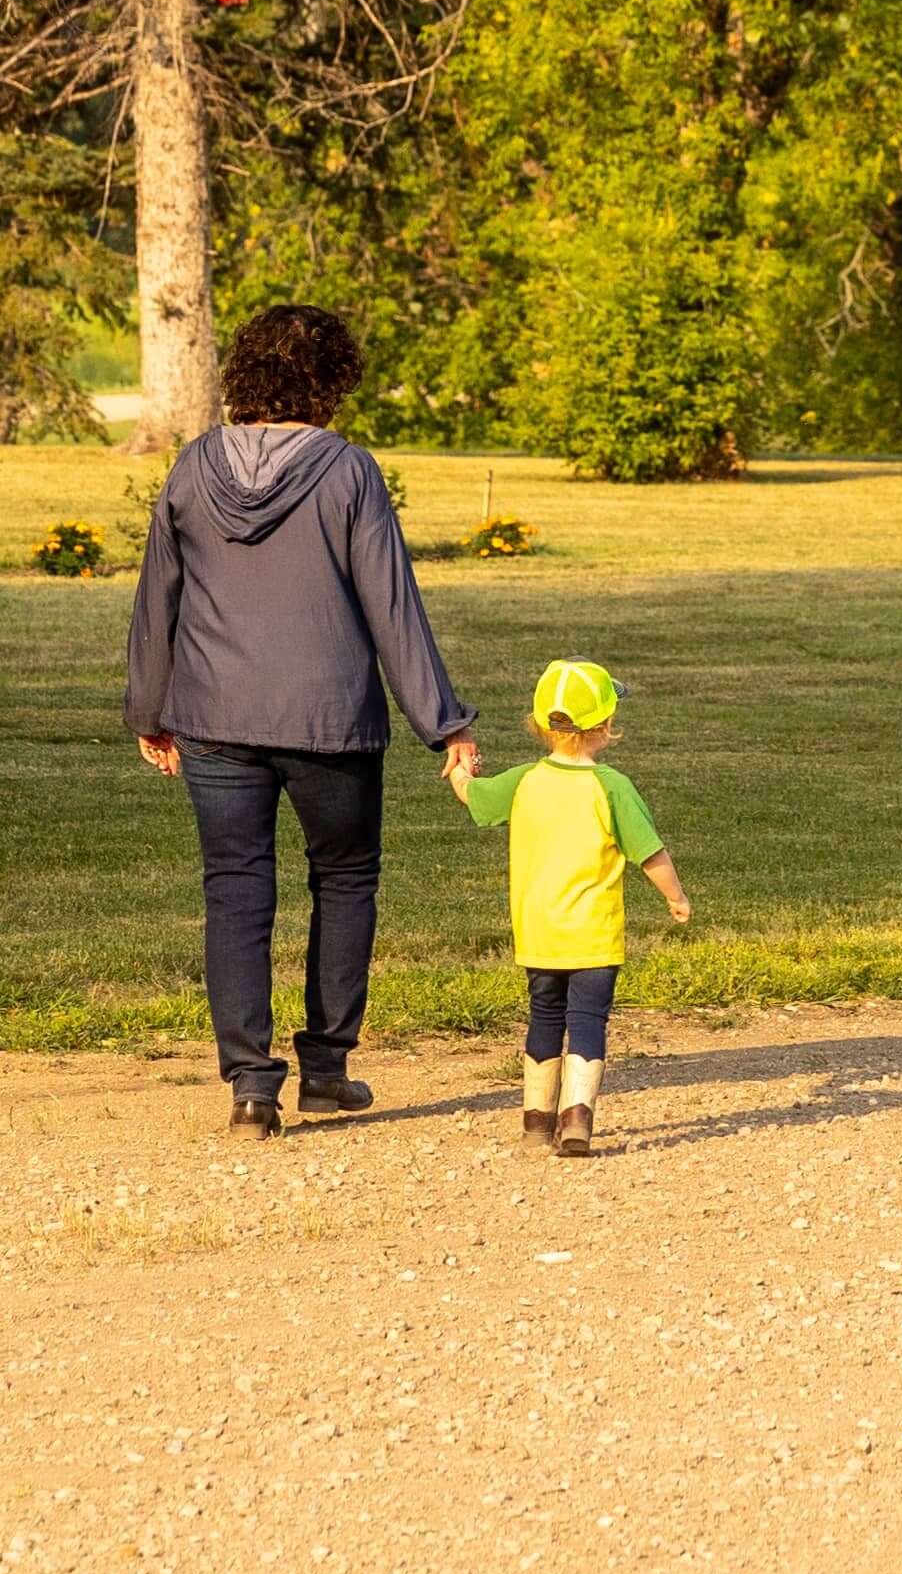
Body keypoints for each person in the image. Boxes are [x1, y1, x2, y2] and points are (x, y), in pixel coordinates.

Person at [124, 304, 477, 1138]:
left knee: (236, 891)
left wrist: (149, 708)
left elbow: (156, 600)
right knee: (345, 879)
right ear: (331, 382)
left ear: (244, 375)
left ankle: (250, 1088)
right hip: (330, 723)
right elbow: (393, 607)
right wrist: (444, 722)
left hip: (214, 718)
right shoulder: (348, 471)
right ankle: (325, 1070)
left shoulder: (191, 466)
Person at [454, 656, 691, 1159]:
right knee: (587, 1020)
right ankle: (578, 1120)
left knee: (543, 1016)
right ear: (605, 726)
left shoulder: (522, 782)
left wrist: (460, 770)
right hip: (594, 937)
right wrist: (676, 896)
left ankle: (535, 1123)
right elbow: (650, 852)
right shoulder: (611, 787)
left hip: (538, 934)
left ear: (542, 725)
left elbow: (474, 797)